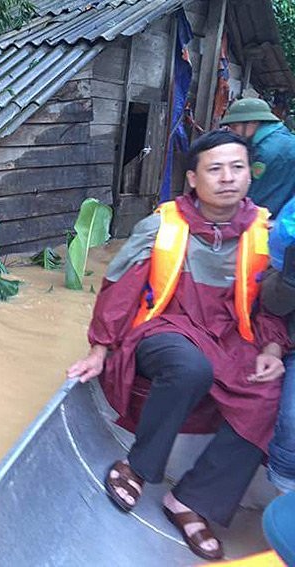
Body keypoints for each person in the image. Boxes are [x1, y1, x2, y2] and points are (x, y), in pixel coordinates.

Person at [67, 129, 289, 561]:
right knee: (189, 367)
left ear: (249, 175)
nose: (227, 177)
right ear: (192, 178)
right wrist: (99, 348)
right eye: (215, 168)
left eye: (237, 167)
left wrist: (273, 349)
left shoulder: (267, 233)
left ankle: (190, 501)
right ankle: (139, 467)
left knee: (267, 395)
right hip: (165, 328)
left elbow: (274, 308)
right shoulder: (161, 224)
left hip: (231, 339)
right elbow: (119, 288)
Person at [260, 196, 295, 494]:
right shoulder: (289, 225)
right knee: (293, 420)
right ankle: (285, 499)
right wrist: (290, 279)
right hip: (291, 339)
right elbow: (272, 304)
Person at [220, 98, 295, 218]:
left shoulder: (266, 152)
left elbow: (257, 200)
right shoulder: (285, 139)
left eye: (235, 126)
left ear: (253, 122)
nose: (233, 132)